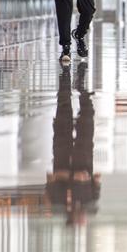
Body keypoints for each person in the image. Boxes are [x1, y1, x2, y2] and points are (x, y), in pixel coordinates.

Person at [45, 62, 100, 226]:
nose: (84, 219)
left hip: (62, 152)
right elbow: (97, 178)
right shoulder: (91, 203)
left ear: (72, 219)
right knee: (87, 114)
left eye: (81, 221)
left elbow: (50, 177)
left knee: (63, 108)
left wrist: (72, 178)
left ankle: (65, 72)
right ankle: (81, 83)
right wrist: (80, 178)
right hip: (84, 153)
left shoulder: (57, 202)